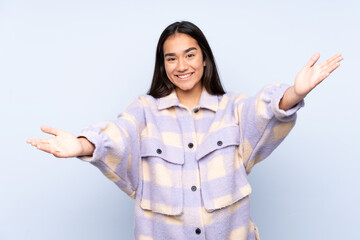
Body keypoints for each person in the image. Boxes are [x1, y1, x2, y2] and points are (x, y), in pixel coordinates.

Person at [27, 21, 343, 240]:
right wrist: (83, 145)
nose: (182, 65)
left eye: (190, 54)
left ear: (204, 58)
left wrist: (295, 93)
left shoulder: (232, 108)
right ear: (163, 65)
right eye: (171, 58)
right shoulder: (145, 111)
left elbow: (264, 112)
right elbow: (117, 134)